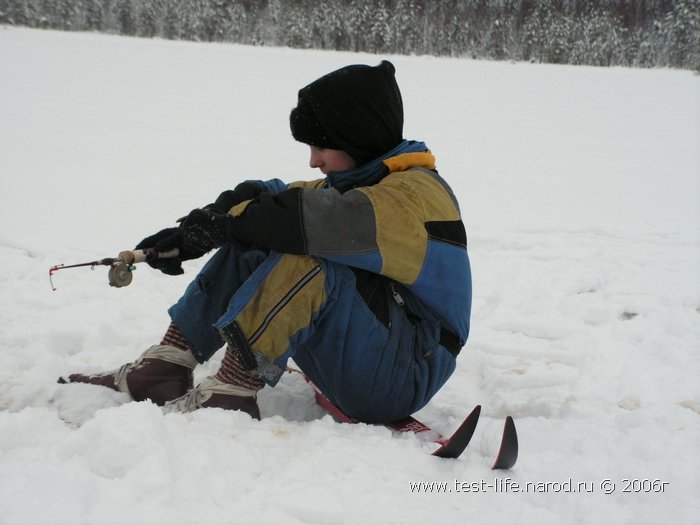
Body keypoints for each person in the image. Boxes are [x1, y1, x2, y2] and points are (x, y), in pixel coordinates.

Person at [60, 60, 472, 424]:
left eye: (320, 145)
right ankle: (166, 365)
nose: (313, 160)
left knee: (305, 252)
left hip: (405, 371)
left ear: (357, 136)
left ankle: (231, 392)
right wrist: (193, 231)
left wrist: (227, 224)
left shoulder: (412, 197)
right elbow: (273, 198)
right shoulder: (364, 185)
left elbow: (299, 219)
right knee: (256, 237)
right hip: (370, 348)